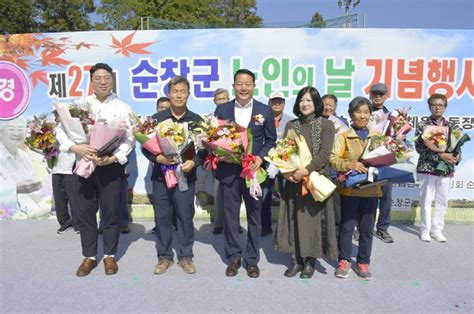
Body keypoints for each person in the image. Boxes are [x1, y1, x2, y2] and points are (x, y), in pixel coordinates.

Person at [58, 63, 135, 277]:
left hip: (110, 168)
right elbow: (60, 131)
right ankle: (89, 257)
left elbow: (129, 139)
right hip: (84, 166)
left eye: (107, 78)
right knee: (85, 213)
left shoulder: (122, 107)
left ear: (112, 80)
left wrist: (113, 157)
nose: (103, 82)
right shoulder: (78, 105)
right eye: (98, 78)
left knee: (111, 213)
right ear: (91, 81)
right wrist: (76, 147)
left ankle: (110, 256)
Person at [214, 69, 277, 278]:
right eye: (239, 84)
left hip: (253, 173)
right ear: (234, 86)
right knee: (231, 216)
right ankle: (233, 257)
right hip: (229, 172)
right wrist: (218, 153)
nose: (243, 88)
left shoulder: (264, 110)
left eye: (247, 84)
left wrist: (260, 157)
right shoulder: (222, 109)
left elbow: (271, 141)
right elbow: (214, 138)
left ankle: (251, 260)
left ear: (254, 86)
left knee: (254, 215)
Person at [143, 76, 207, 275]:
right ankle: (164, 257)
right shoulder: (157, 119)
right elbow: (145, 147)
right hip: (161, 176)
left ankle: (186, 256)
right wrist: (158, 158)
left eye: (183, 91)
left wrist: (194, 162)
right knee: (162, 216)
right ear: (169, 94)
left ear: (188, 94)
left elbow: (205, 150)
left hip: (186, 176)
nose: (179, 95)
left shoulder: (197, 121)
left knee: (185, 216)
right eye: (175, 91)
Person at [274, 87, 337, 279]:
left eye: (309, 100)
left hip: (315, 180)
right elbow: (284, 152)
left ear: (316, 103)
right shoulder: (291, 125)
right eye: (302, 100)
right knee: (294, 219)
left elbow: (324, 154)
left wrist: (305, 171)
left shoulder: (326, 125)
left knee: (313, 220)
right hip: (294, 180)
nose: (305, 103)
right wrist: (288, 173)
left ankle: (310, 261)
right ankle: (296, 260)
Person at [330, 96, 383, 280]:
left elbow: (385, 158)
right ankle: (343, 260)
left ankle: (363, 262)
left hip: (372, 189)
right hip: (350, 190)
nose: (362, 116)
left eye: (366, 112)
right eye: (358, 112)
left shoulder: (376, 138)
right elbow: (333, 159)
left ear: (370, 115)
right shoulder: (344, 136)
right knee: (347, 226)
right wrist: (350, 164)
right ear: (351, 114)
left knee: (367, 229)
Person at [415, 93, 461, 243]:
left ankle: (437, 229)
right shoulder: (423, 125)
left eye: (440, 105)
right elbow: (420, 149)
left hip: (446, 169)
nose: (437, 107)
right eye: (434, 105)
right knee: (426, 201)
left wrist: (456, 157)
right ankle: (425, 230)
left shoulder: (452, 126)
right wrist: (440, 156)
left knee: (442, 201)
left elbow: (457, 146)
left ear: (445, 107)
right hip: (427, 168)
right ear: (429, 107)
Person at [261, 91, 293, 237]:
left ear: (284, 104)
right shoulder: (260, 119)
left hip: (286, 164)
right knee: (264, 196)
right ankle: (265, 227)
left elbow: (294, 144)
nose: (277, 103)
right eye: (274, 101)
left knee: (287, 197)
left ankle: (286, 229)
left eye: (280, 101)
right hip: (267, 163)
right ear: (269, 103)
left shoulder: (291, 121)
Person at [0, 116, 44, 215]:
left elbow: (32, 186)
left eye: (20, 129)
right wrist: (14, 188)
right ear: (1, 132)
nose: (16, 133)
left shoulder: (24, 156)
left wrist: (38, 196)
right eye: (11, 129)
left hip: (30, 213)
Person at [368, 82, 394, 244]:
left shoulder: (392, 116)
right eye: (375, 93)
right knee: (364, 195)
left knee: (386, 196)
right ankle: (360, 227)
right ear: (370, 95)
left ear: (386, 96)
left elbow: (396, 137)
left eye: (381, 94)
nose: (378, 96)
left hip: (384, 162)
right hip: (366, 161)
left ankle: (382, 228)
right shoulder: (361, 112)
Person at [322, 94, 348, 232]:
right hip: (319, 168)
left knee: (336, 202)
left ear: (335, 106)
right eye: (324, 104)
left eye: (330, 104)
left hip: (335, 169)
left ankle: (337, 230)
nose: (327, 107)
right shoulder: (315, 121)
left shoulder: (342, 123)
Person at [52, 121, 80, 234]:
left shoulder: (75, 128)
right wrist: (46, 146)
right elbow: (44, 147)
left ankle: (78, 224)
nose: (57, 116)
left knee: (75, 199)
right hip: (56, 167)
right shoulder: (50, 130)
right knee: (59, 199)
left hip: (71, 167)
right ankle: (64, 223)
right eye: (56, 114)